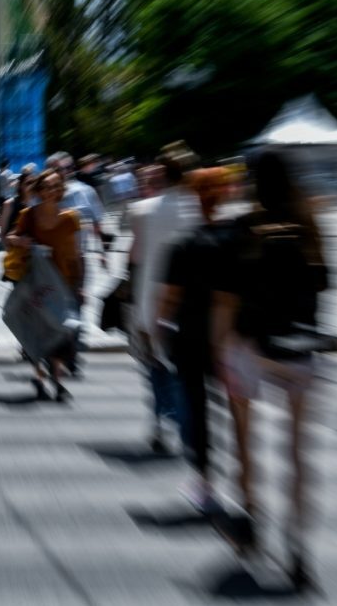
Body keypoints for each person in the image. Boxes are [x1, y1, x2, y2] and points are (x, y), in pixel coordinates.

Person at [211, 151, 328, 590]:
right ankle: (298, 548)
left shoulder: (242, 229)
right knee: (297, 453)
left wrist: (220, 349)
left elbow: (225, 300)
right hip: (299, 347)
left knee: (245, 443)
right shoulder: (309, 228)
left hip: (248, 347)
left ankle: (252, 519)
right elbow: (322, 287)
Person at [156, 167, 232, 512]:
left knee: (196, 408)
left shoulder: (183, 245)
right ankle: (246, 480)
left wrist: (158, 327)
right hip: (230, 334)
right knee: (237, 407)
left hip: (190, 335)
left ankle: (204, 480)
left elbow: (170, 299)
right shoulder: (236, 239)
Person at [127, 143, 201, 453]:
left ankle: (159, 423)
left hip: (150, 296)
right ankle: (187, 426)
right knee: (185, 368)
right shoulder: (198, 208)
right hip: (189, 299)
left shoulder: (142, 210)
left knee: (156, 366)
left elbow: (135, 257)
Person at [6, 169, 82, 401]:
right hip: (36, 283)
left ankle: (57, 381)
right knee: (38, 331)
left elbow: (77, 255)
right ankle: (40, 377)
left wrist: (79, 285)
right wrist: (22, 241)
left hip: (62, 283)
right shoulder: (29, 215)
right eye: (47, 186)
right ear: (39, 190)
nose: (52, 191)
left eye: (56, 186)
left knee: (59, 331)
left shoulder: (70, 218)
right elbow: (9, 238)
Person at [0, 164, 37, 253]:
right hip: (15, 251)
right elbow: (3, 234)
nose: (32, 186)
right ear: (21, 186)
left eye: (34, 183)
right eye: (28, 183)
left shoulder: (38, 204)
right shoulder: (9, 204)